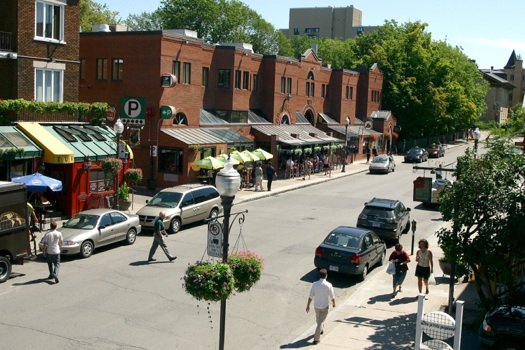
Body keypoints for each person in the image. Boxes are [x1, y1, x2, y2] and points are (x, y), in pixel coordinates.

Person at [306, 268, 335, 345]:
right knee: (320, 322)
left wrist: (308, 305)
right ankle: (316, 339)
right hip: (324, 307)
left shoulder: (315, 284)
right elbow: (332, 296)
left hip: (316, 307)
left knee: (318, 320)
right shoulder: (329, 285)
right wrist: (334, 303)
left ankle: (321, 330)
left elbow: (310, 296)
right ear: (326, 276)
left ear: (320, 275)